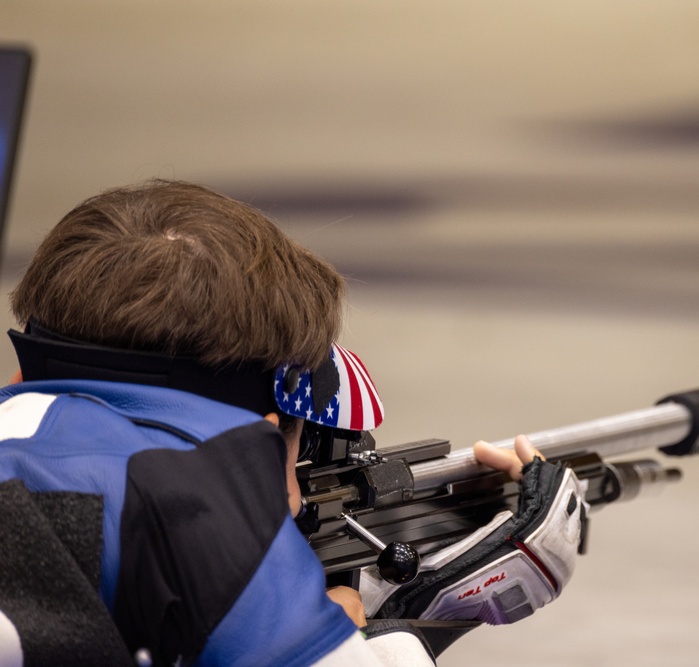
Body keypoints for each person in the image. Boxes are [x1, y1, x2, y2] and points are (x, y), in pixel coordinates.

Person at [0, 181, 586, 666]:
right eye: (300, 445)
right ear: (261, 434)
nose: (301, 496)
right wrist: (425, 611)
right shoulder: (200, 500)